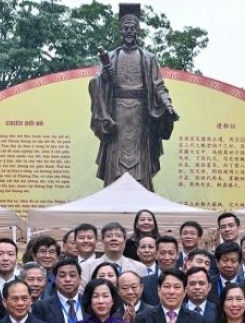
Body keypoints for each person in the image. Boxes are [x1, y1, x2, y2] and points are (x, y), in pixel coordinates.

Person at [90, 3, 177, 191]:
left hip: (140, 115)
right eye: (126, 28)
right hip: (117, 115)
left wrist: (168, 106)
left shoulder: (148, 58)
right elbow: (97, 83)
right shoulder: (112, 56)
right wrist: (104, 76)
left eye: (133, 28)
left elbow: (159, 86)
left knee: (140, 160)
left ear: (137, 30)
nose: (129, 31)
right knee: (116, 159)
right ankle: (113, 192)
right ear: (121, 31)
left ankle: (142, 194)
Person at [80, 223, 147, 290]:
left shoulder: (139, 268)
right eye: (109, 236)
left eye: (118, 236)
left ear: (125, 242)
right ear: (102, 241)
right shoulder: (86, 267)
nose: (113, 239)